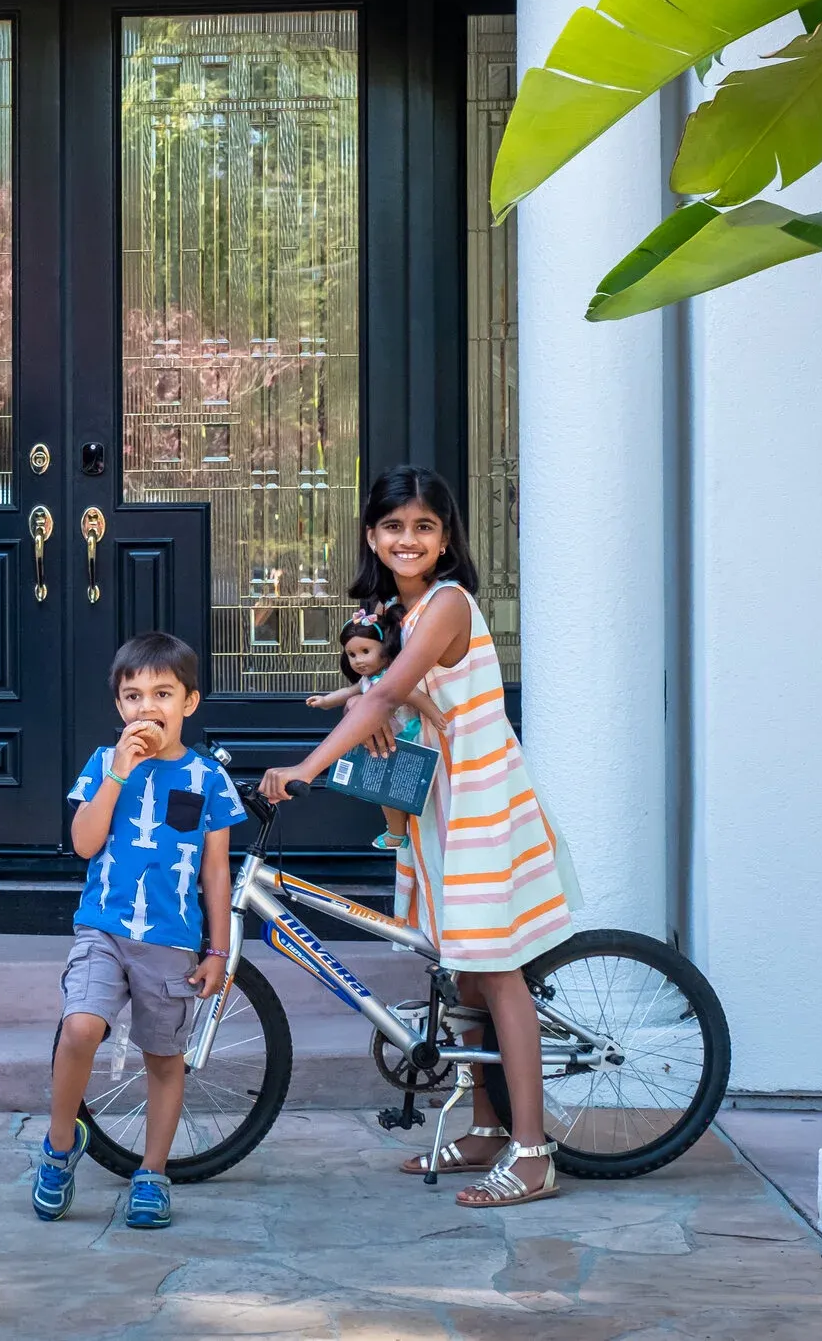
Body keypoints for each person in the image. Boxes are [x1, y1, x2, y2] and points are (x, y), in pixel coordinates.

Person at [259, 465, 580, 1210]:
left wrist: (307, 765)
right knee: (459, 965)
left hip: (478, 796)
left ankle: (533, 1152)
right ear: (372, 534)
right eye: (394, 526)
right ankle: (489, 1128)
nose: (408, 539)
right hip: (438, 797)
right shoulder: (393, 611)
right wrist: (386, 714)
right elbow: (393, 692)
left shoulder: (444, 603)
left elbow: (394, 688)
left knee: (496, 969)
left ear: (445, 539)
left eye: (424, 526)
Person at [29, 631, 244, 1230]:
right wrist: (119, 773)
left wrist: (218, 949)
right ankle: (58, 1144)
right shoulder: (103, 765)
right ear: (118, 707)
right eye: (132, 695)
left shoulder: (207, 780)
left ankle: (151, 1172)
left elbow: (216, 871)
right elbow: (83, 844)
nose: (146, 707)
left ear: (190, 702)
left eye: (162, 693)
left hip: (172, 941)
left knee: (163, 1057)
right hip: (102, 927)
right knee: (79, 1029)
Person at [306, 607, 446, 851]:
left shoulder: (391, 678)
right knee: (382, 791)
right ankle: (397, 832)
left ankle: (397, 832)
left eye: (365, 651)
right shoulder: (366, 681)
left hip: (402, 736)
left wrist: (435, 715)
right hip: (381, 741)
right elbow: (348, 693)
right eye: (351, 654)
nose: (358, 660)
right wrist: (326, 700)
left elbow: (413, 694)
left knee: (389, 791)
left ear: (385, 649)